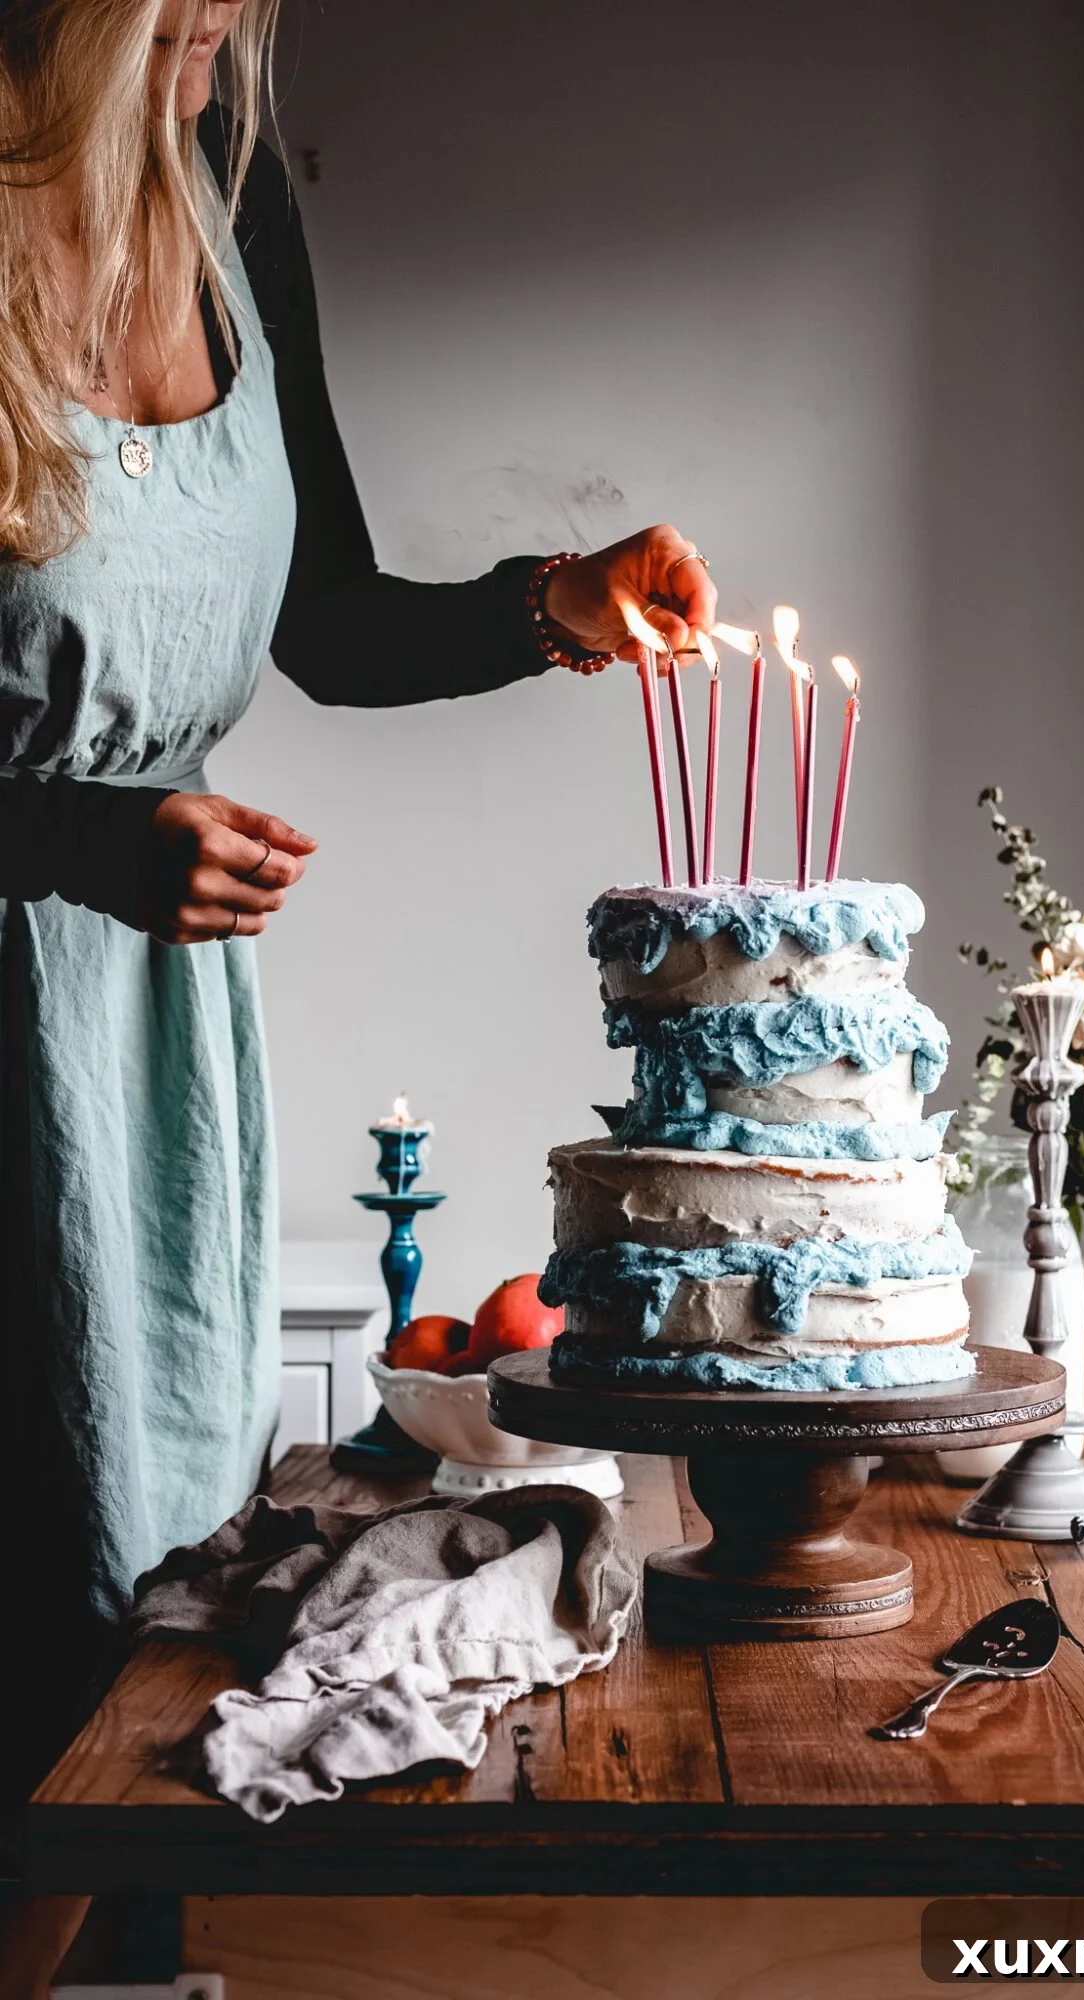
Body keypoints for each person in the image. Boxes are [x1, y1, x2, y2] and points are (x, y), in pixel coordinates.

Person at [0, 0, 715, 1851]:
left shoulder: (228, 193)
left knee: (132, 1635)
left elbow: (324, 616)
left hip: (150, 1075)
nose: (224, 44)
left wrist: (553, 604)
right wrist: (67, 836)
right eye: (174, 15)